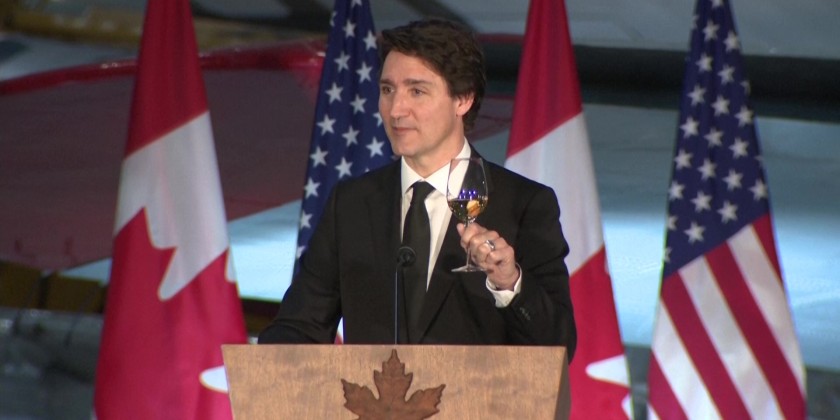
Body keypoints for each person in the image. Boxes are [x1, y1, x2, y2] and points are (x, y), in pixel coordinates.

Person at [258, 19, 576, 359]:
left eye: (417, 91)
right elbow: (300, 327)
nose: (396, 110)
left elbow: (558, 347)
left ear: (463, 99)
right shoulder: (351, 204)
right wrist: (260, 368)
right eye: (387, 90)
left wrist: (509, 282)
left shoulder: (524, 205)